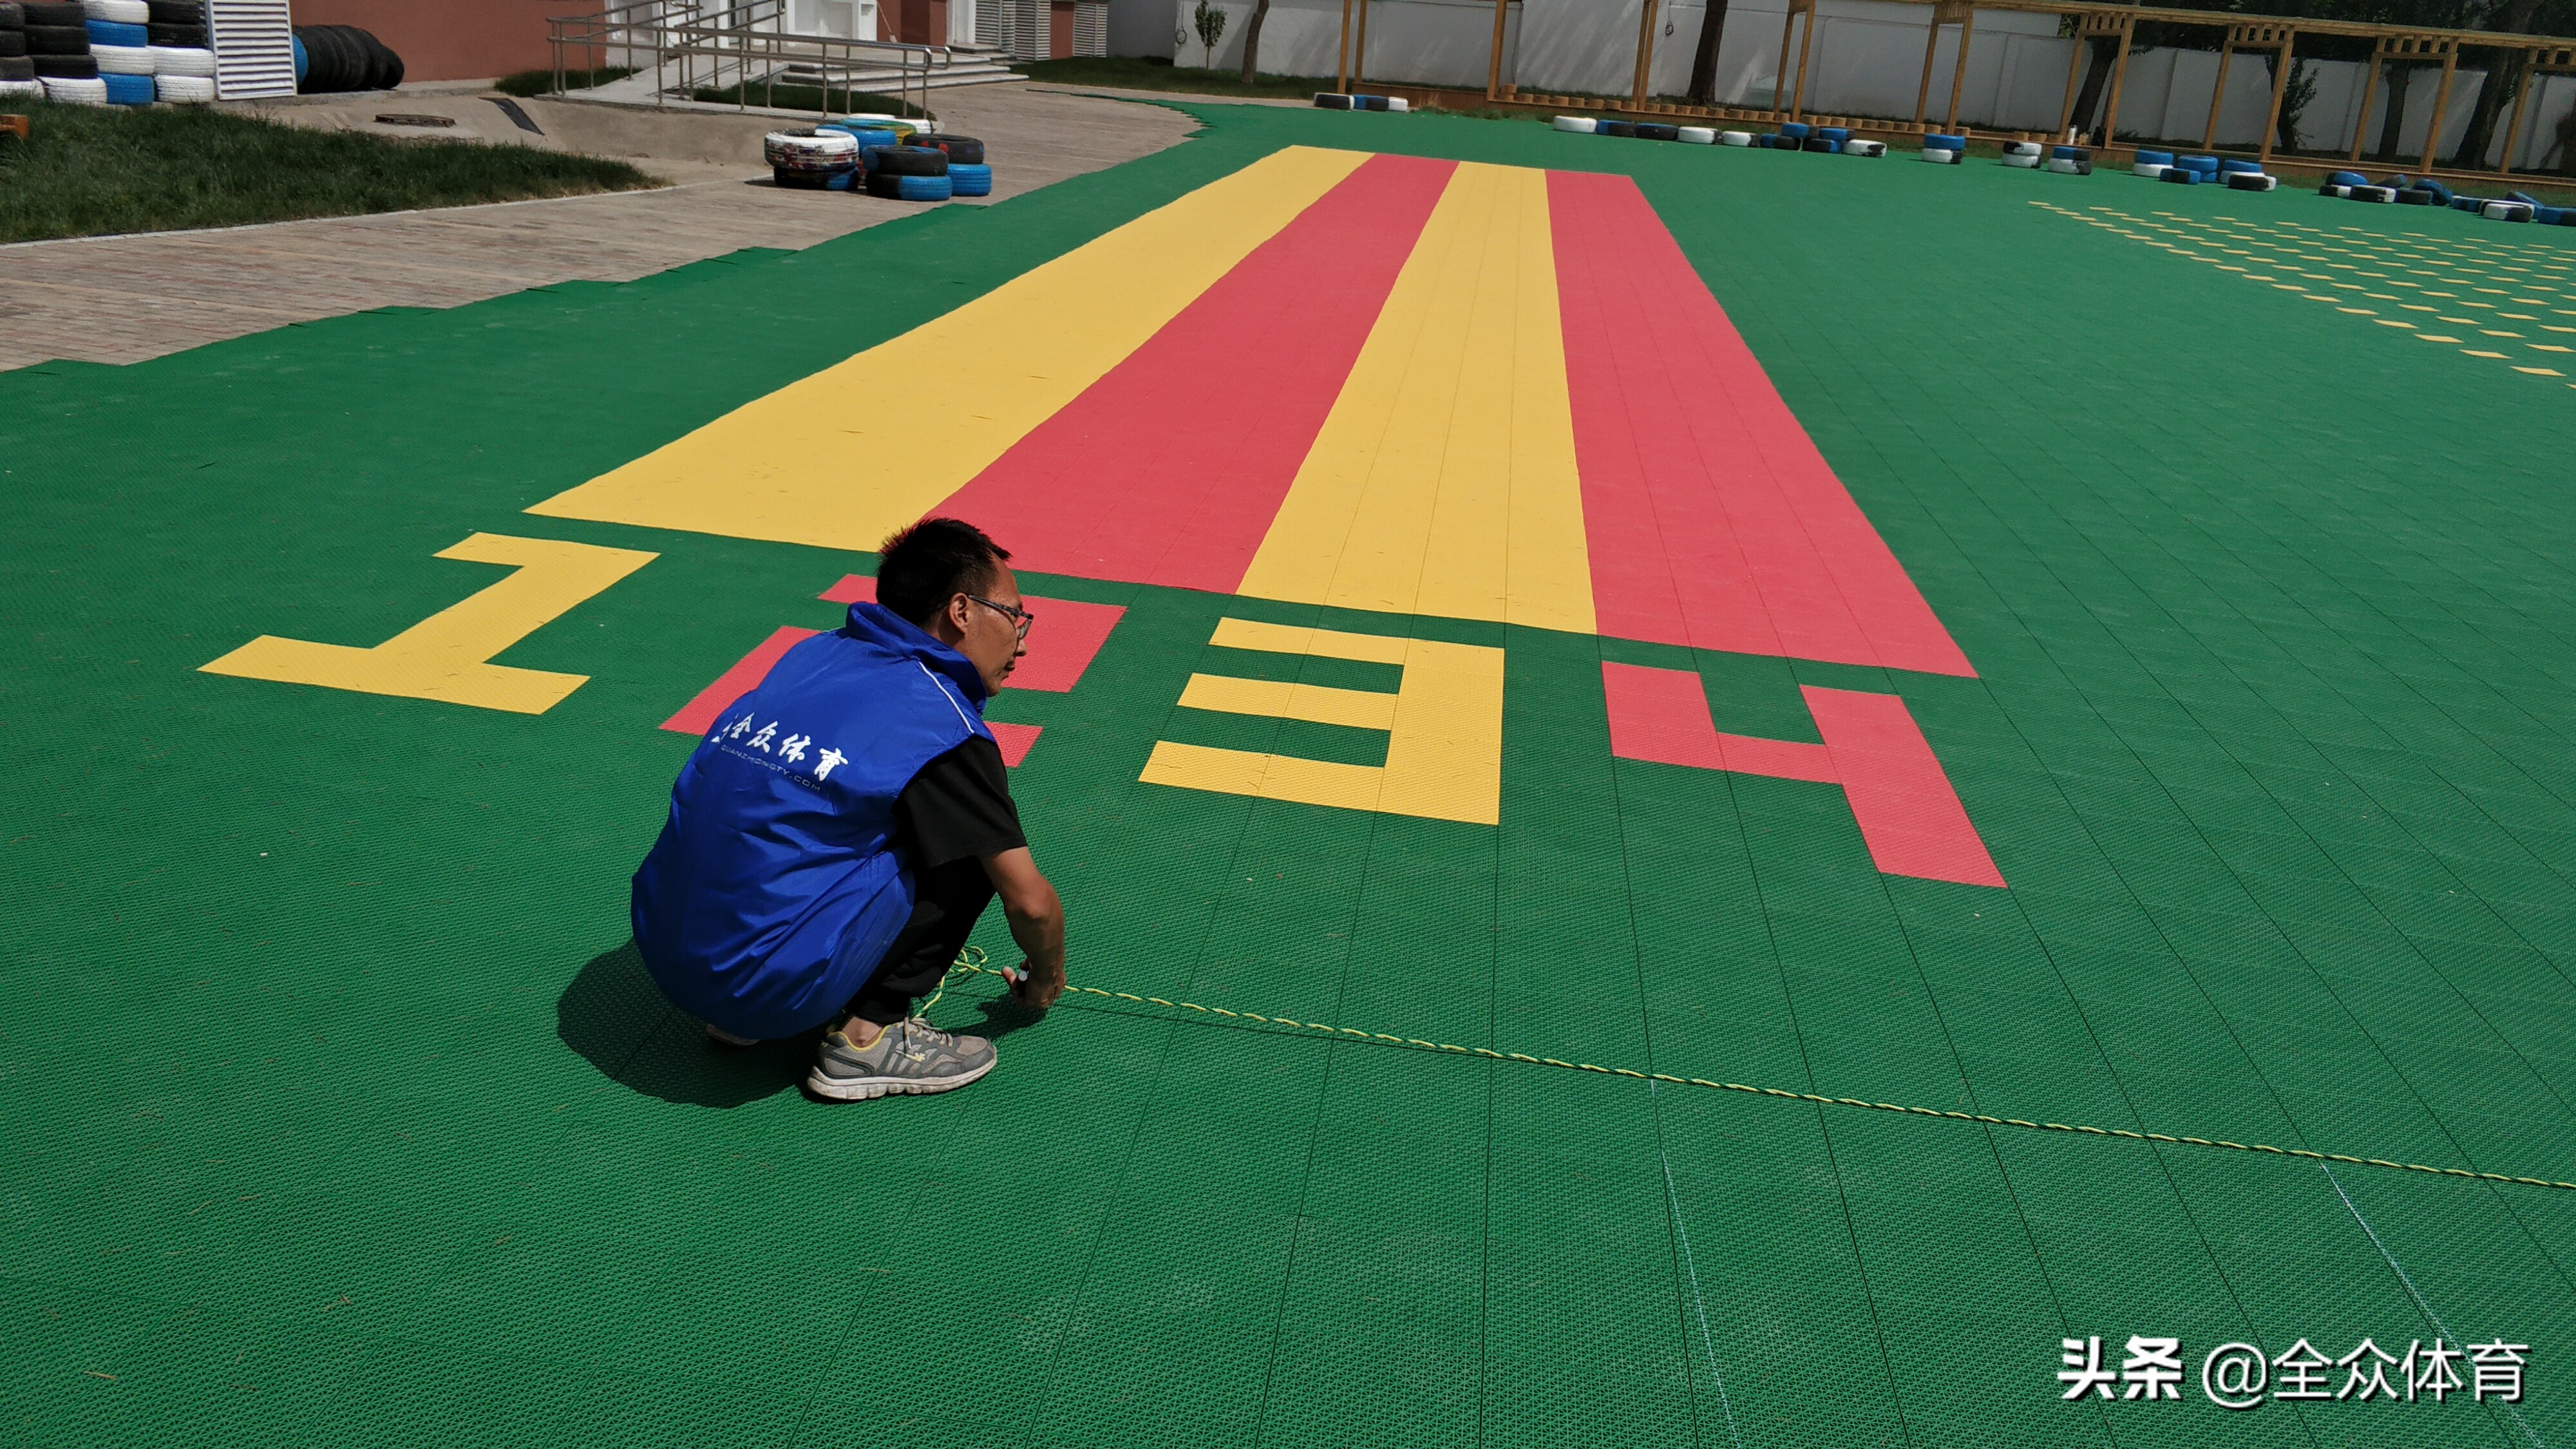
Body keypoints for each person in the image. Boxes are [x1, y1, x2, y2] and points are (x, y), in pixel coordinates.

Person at [629, 517, 1067, 1101]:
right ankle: (866, 1038)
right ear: (961, 612)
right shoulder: (941, 727)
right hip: (764, 986)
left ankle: (739, 1015)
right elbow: (1031, 904)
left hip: (666, 952)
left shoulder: (813, 654)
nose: (1022, 637)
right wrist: (1045, 980)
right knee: (970, 841)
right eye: (1014, 615)